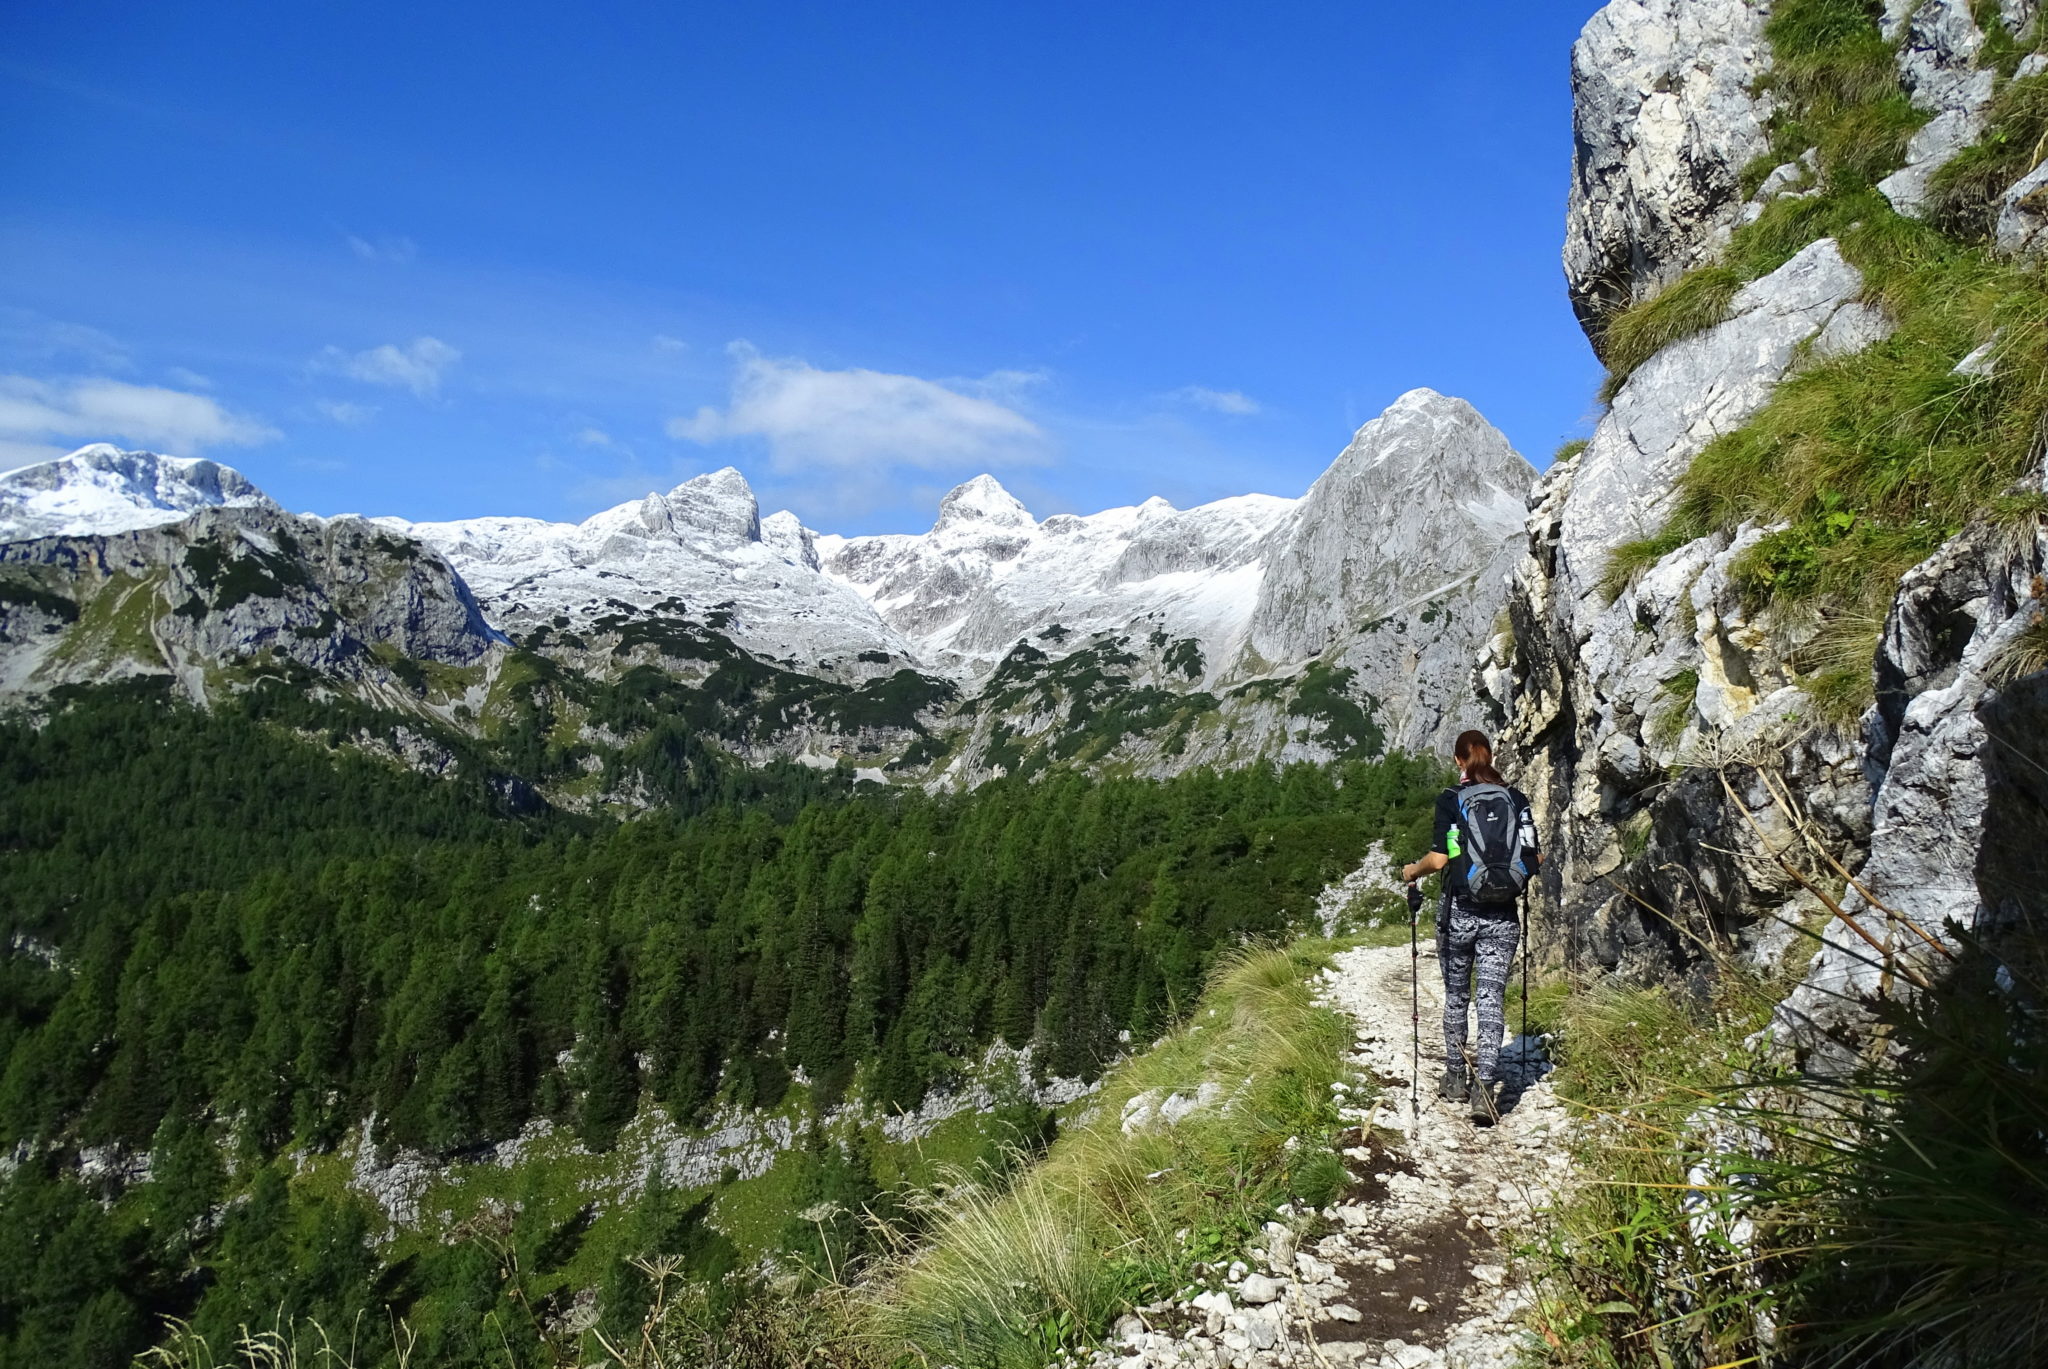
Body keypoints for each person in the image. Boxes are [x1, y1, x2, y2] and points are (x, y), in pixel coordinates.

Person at [1401, 729, 1540, 1121]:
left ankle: (1456, 1078)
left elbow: (1440, 859)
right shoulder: (1516, 799)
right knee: (1491, 997)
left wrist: (1412, 871)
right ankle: (1485, 1090)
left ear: (1459, 761)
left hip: (1458, 911)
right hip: (1503, 916)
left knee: (1458, 995)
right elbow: (1535, 859)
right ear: (1490, 756)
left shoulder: (1450, 799)